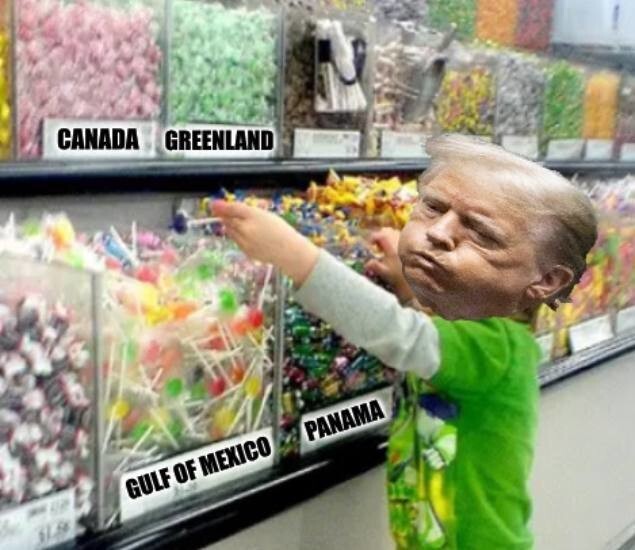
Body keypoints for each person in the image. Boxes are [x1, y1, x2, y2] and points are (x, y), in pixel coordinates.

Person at [212, 135, 598, 549]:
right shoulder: (474, 333)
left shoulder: (498, 348)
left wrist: (296, 256)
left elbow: (401, 335)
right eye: (435, 211)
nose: (441, 236)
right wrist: (408, 284)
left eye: (484, 235)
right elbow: (436, 337)